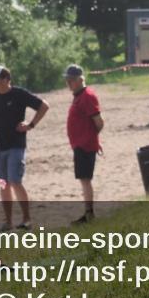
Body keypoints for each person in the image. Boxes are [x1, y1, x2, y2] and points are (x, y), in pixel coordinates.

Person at [0, 65, 49, 231]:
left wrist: (31, 125)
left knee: (15, 181)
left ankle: (27, 219)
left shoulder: (19, 94)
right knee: (3, 184)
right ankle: (8, 221)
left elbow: (44, 105)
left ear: (5, 80)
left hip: (16, 145)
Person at [64, 64, 103, 224]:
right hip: (80, 144)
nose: (69, 83)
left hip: (85, 145)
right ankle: (88, 213)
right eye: (67, 80)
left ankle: (89, 213)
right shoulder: (79, 95)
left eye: (71, 80)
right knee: (83, 179)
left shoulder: (86, 96)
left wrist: (90, 138)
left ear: (80, 80)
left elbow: (99, 122)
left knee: (85, 179)